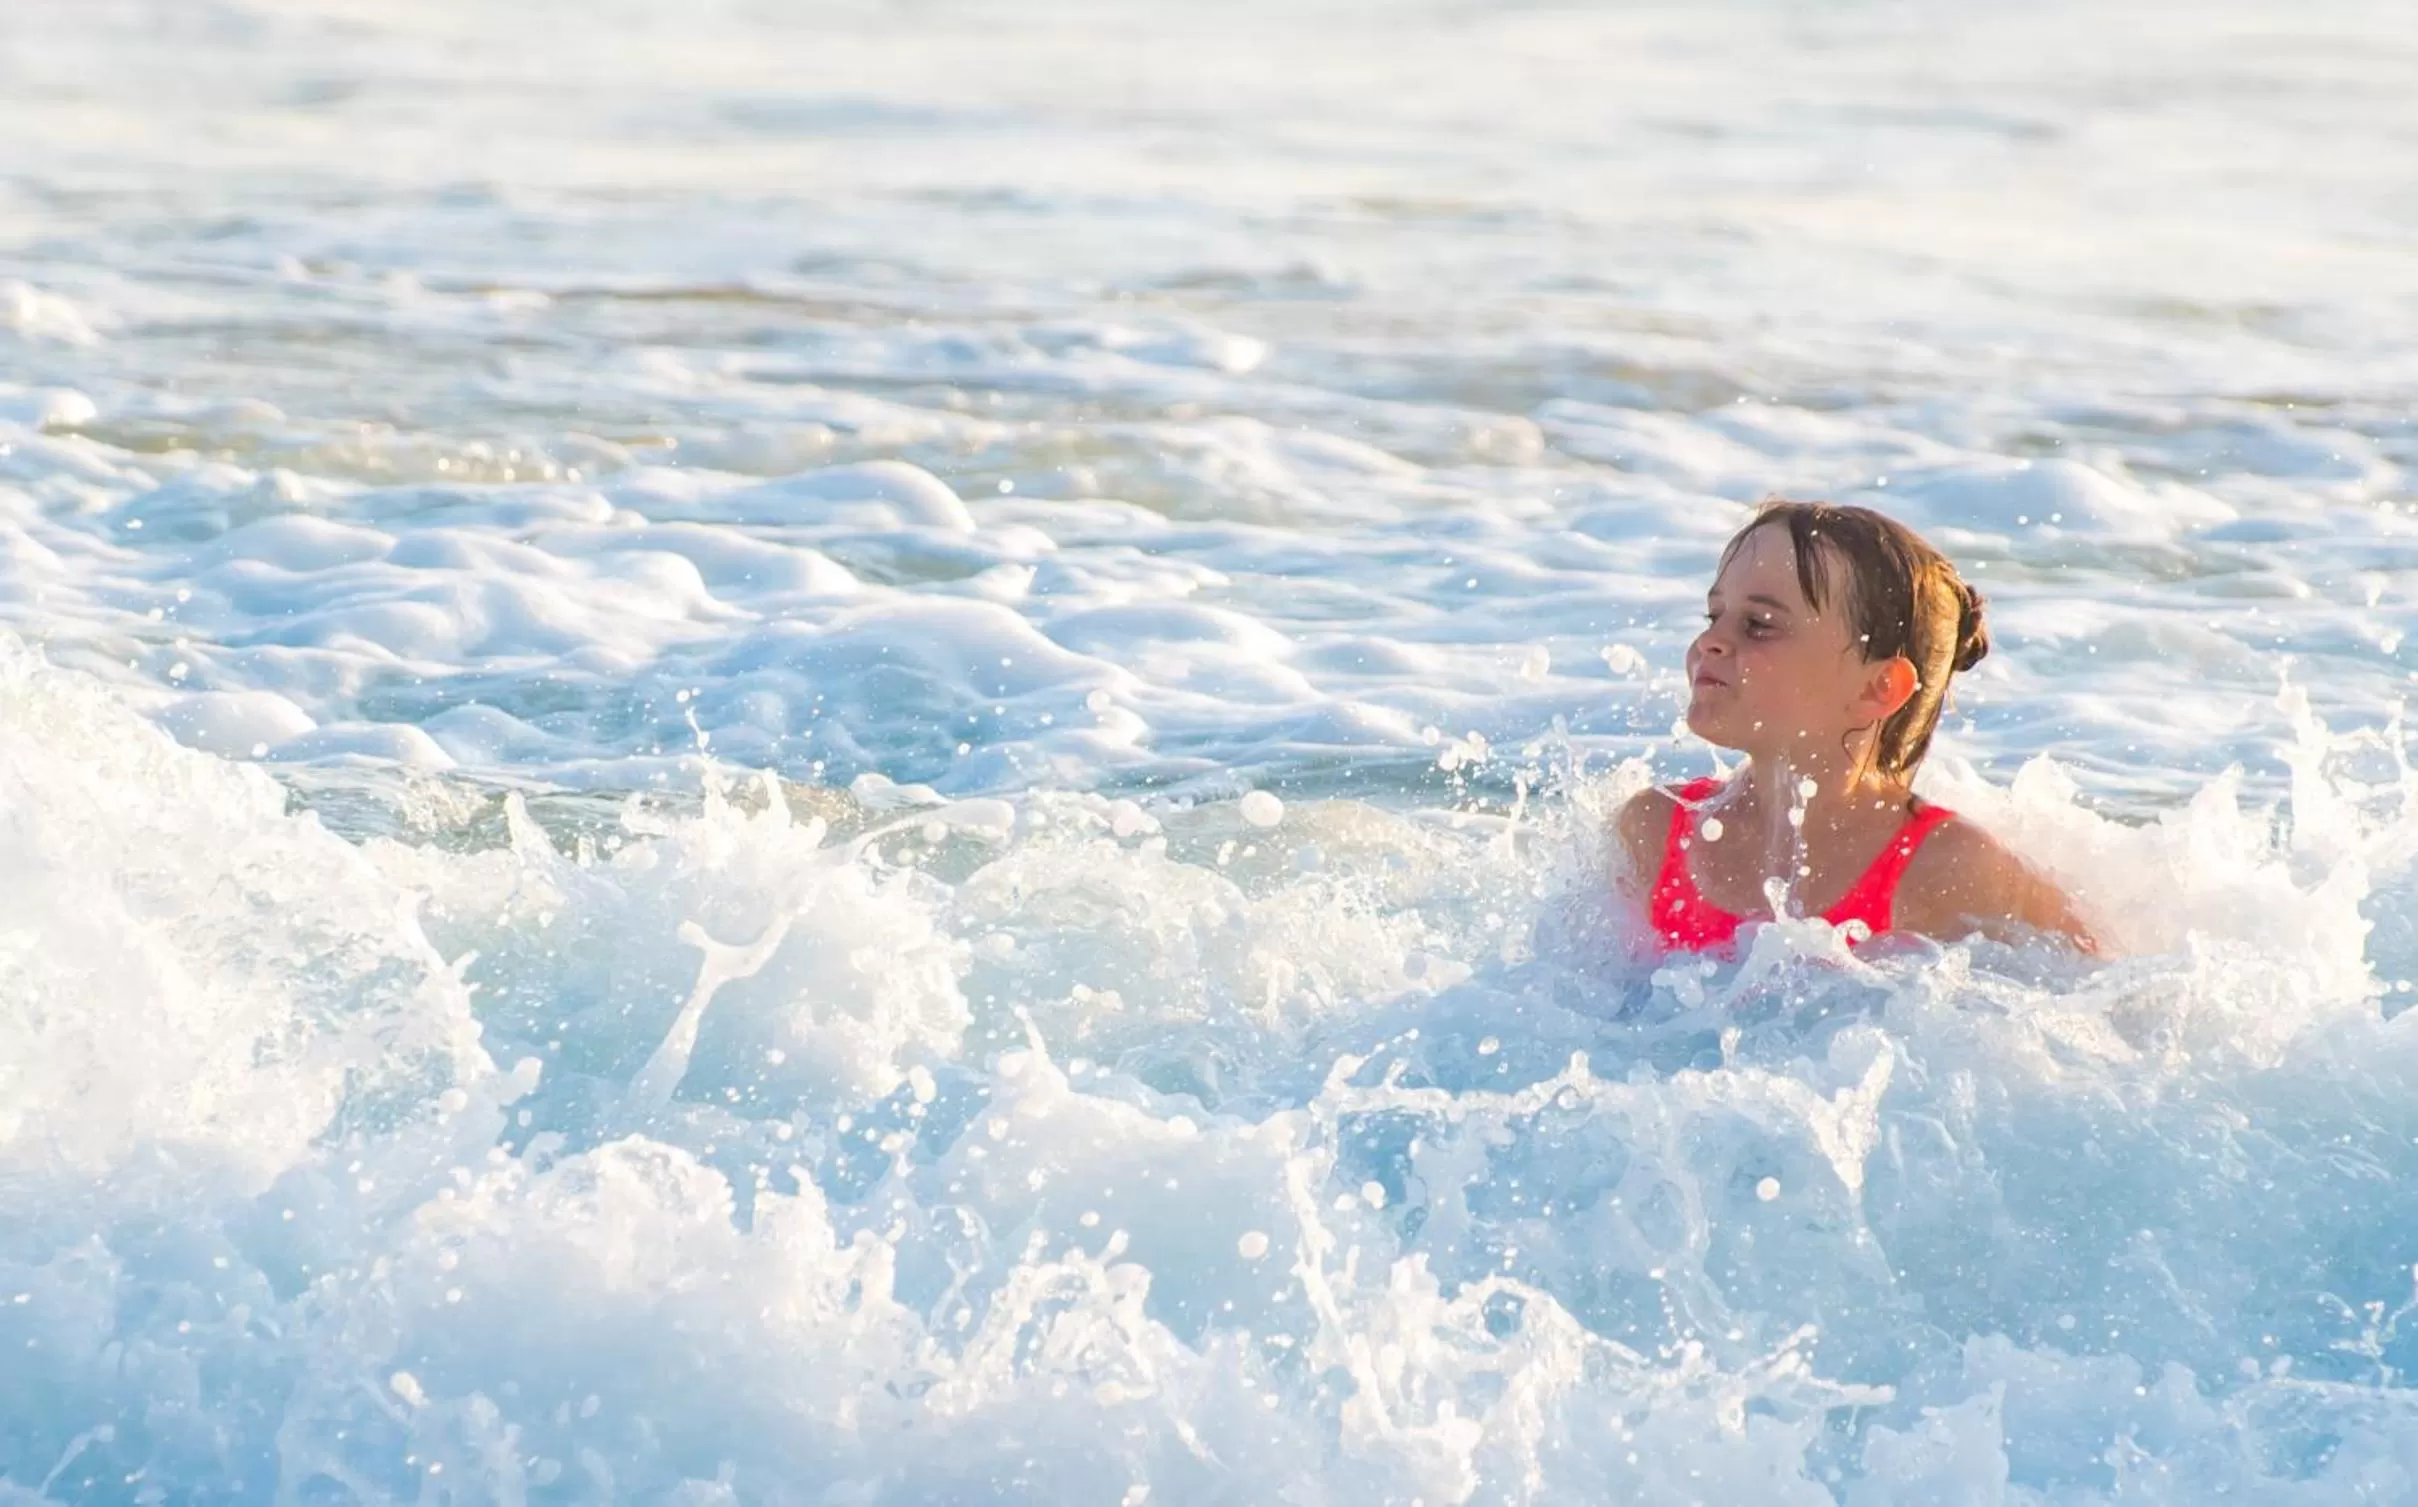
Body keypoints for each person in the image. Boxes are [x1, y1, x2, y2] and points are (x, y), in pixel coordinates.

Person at [1612, 500, 2098, 957]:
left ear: (1879, 688)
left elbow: (2108, 992)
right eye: (1715, 615)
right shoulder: (1654, 832)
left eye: (1759, 624)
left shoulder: (1946, 868)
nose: (1711, 641)